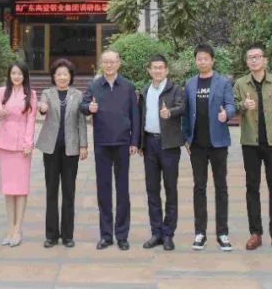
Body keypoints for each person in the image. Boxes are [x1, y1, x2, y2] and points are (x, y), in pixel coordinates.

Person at [234, 45, 272, 252]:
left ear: (265, 60)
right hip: (250, 142)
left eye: (257, 57)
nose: (254, 60)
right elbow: (232, 107)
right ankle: (255, 233)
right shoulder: (241, 83)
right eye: (250, 57)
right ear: (247, 61)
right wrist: (243, 106)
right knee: (252, 188)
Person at [80, 49, 140, 250]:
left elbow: (135, 115)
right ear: (101, 64)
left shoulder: (128, 86)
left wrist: (134, 141)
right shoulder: (95, 85)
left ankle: (122, 235)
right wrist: (89, 108)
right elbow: (83, 105)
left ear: (118, 63)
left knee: (122, 190)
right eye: (105, 62)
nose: (109, 65)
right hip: (102, 143)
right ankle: (106, 235)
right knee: (103, 190)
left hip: (123, 143)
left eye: (112, 61)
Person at [182, 44, 236, 251]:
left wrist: (226, 114)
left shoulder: (223, 82)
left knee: (221, 187)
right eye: (199, 58)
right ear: (195, 61)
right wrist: (186, 138)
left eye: (206, 58)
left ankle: (222, 233)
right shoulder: (190, 83)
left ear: (212, 60)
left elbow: (231, 105)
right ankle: (200, 233)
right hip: (197, 145)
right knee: (199, 187)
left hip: (218, 143)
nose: (202, 61)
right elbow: (186, 113)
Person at [35, 58, 89, 248]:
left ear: (70, 76)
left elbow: (81, 122)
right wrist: (42, 108)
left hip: (71, 149)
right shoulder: (47, 93)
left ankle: (67, 235)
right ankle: (51, 235)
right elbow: (41, 106)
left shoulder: (78, 95)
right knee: (51, 191)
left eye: (65, 74)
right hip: (50, 149)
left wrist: (84, 145)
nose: (62, 77)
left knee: (69, 192)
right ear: (54, 76)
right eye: (59, 74)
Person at [137, 53, 185, 251]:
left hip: (169, 146)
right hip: (149, 144)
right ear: (149, 70)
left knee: (170, 189)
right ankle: (156, 232)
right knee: (152, 190)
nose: (157, 70)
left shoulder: (175, 89)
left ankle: (168, 234)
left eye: (160, 67)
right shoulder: (145, 90)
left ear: (166, 70)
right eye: (154, 67)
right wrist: (139, 143)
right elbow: (140, 116)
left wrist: (170, 112)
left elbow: (182, 106)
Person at [0, 62, 38, 247]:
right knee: (8, 189)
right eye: (13, 73)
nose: (16, 76)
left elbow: (31, 120)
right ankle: (10, 228)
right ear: (9, 75)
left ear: (25, 75)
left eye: (20, 73)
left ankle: (18, 229)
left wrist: (28, 143)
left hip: (22, 146)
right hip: (5, 143)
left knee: (20, 189)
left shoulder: (31, 94)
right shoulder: (2, 91)